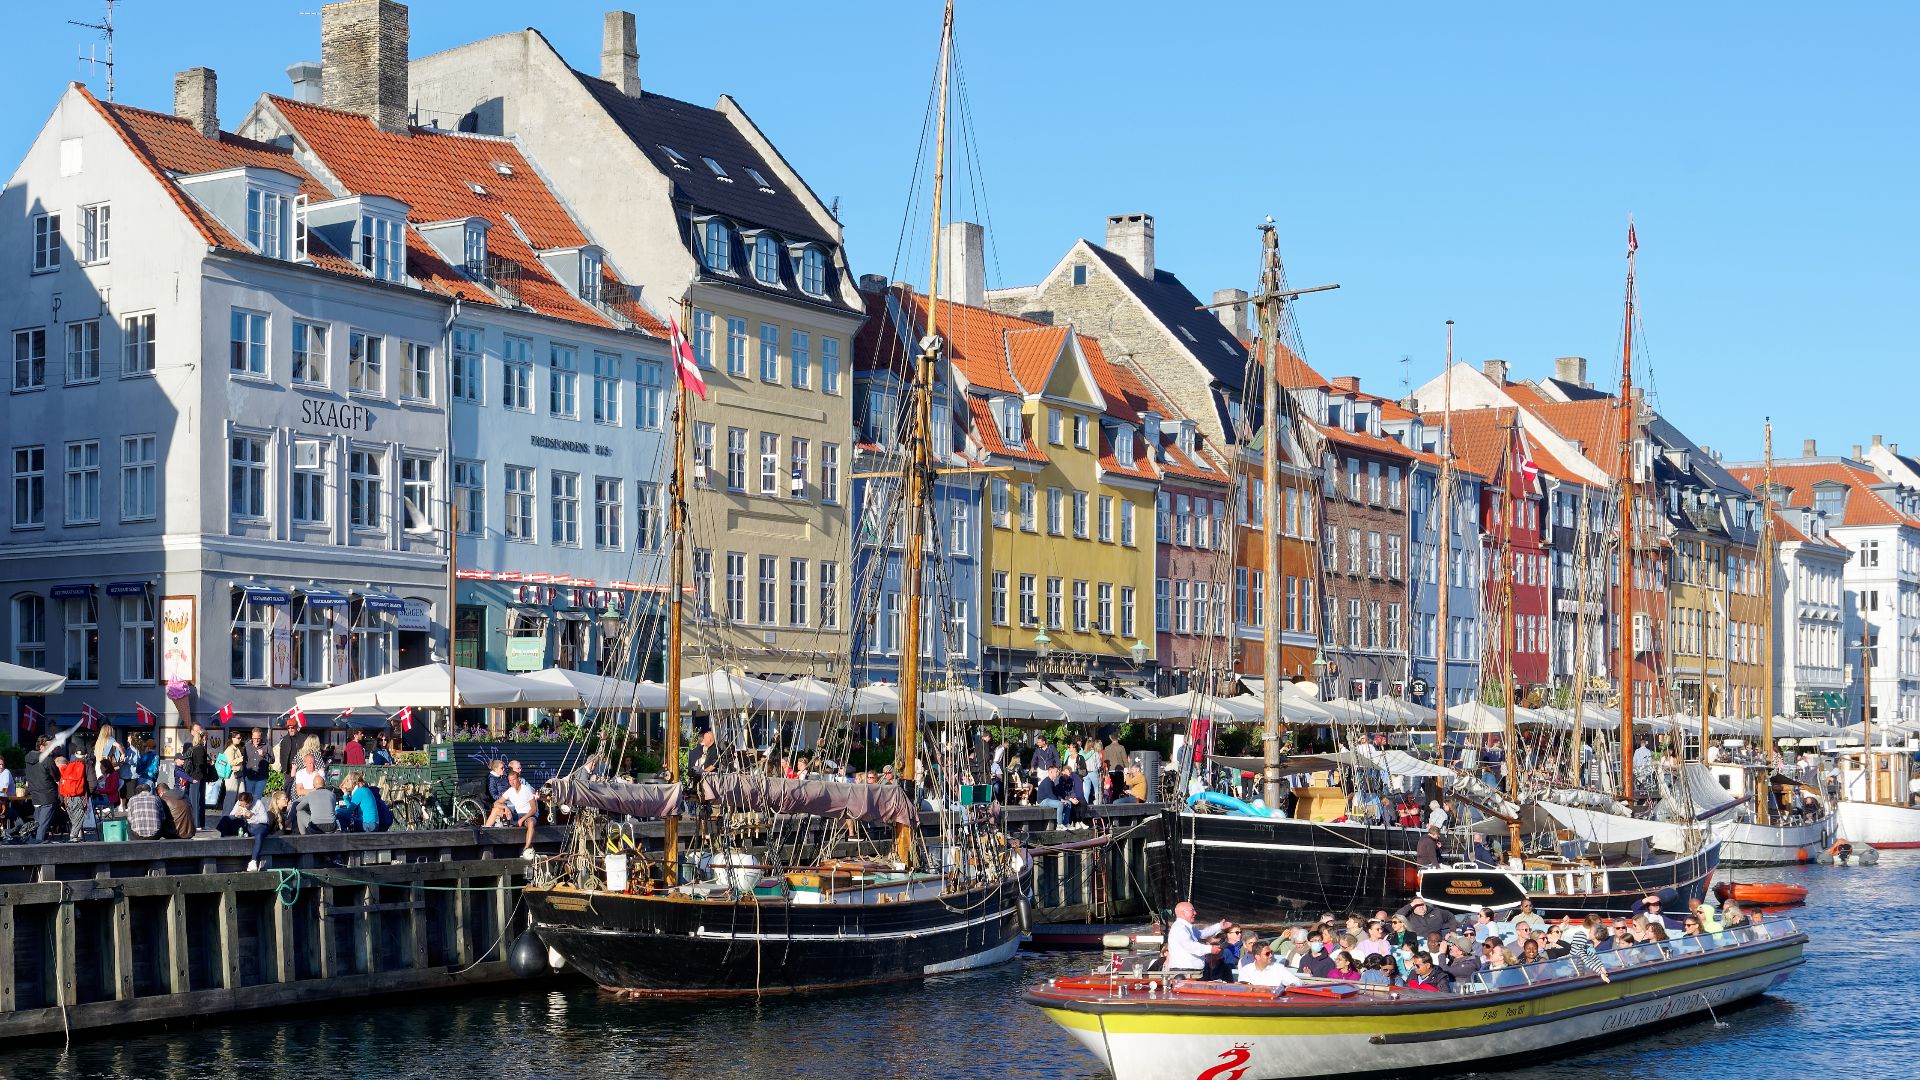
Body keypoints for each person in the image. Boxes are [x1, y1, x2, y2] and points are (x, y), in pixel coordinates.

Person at [1165, 902, 1232, 979]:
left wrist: (1219, 926)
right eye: (1192, 910)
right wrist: (1210, 949)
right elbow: (1190, 946)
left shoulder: (1186, 927)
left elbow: (1202, 933)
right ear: (1183, 912)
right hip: (1184, 973)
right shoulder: (1179, 928)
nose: (1195, 913)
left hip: (1190, 972)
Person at [492, 772, 541, 858]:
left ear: (518, 779)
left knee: (531, 822)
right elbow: (496, 803)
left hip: (528, 815)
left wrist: (523, 819)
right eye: (510, 780)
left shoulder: (526, 789)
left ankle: (526, 848)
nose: (512, 782)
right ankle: (486, 828)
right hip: (517, 815)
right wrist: (505, 807)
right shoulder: (510, 790)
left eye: (513, 780)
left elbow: (533, 809)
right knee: (496, 810)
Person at [26, 735, 62, 844]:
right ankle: (37, 849)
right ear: (42, 747)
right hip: (48, 795)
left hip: (35, 794)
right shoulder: (47, 758)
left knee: (38, 823)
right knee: (43, 825)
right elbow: (56, 775)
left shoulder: (28, 757)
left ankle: (38, 845)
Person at [58, 751, 91, 843]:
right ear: (86, 755)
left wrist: (61, 800)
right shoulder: (87, 766)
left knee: (74, 819)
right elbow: (93, 783)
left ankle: (75, 837)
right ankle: (73, 836)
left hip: (67, 797)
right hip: (80, 796)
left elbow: (61, 784)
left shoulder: (67, 767)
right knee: (79, 818)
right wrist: (89, 794)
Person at [245, 792, 279, 872]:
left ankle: (253, 861)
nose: (244, 806)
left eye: (245, 804)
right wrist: (237, 815)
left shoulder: (258, 803)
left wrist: (252, 816)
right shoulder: (239, 804)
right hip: (250, 827)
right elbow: (231, 815)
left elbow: (265, 820)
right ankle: (253, 861)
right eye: (242, 804)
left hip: (261, 826)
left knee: (259, 834)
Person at [218, 729, 246, 814]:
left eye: (240, 738)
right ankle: (226, 816)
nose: (240, 739)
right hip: (232, 775)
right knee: (230, 797)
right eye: (238, 738)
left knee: (242, 795)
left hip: (239, 774)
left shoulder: (237, 748)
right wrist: (241, 759)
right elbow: (231, 762)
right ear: (232, 738)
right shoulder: (229, 749)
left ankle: (240, 815)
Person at [242, 728, 271, 803]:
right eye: (254, 738)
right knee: (248, 798)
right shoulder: (247, 746)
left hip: (261, 777)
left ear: (261, 737)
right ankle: (248, 814)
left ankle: (256, 814)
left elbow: (272, 760)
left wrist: (264, 755)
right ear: (252, 736)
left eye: (258, 738)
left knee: (257, 798)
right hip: (249, 776)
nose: (256, 740)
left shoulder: (267, 746)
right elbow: (244, 761)